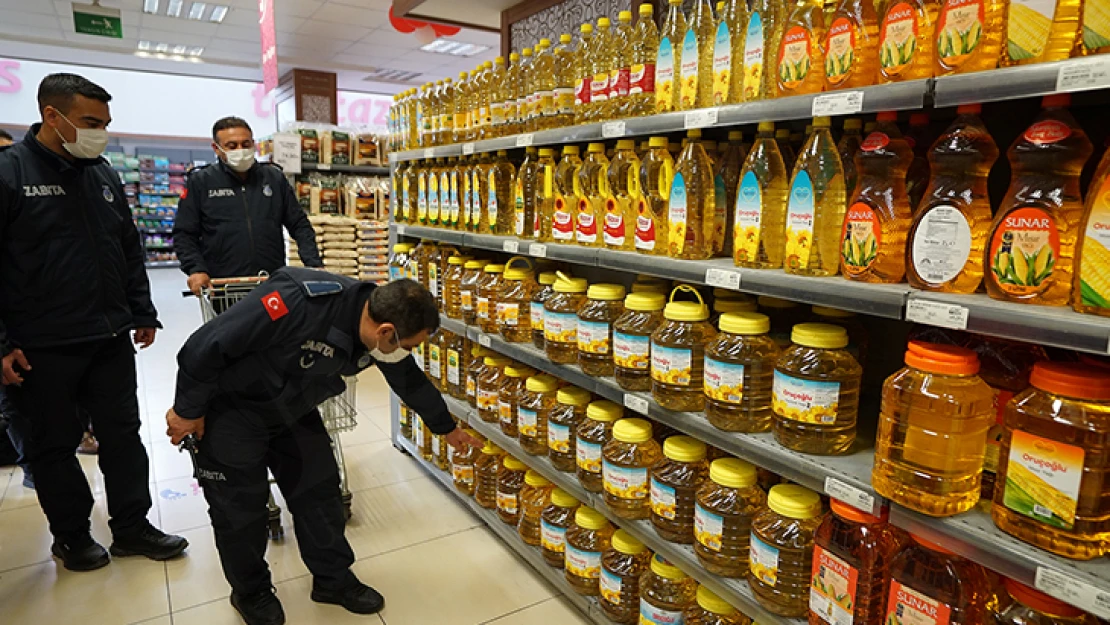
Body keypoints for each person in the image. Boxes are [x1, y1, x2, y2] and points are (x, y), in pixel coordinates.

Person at [166, 269, 481, 625]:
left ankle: (332, 580)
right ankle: (250, 592)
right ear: (386, 332)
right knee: (239, 514)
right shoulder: (299, 301)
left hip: (292, 409)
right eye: (406, 345)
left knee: (321, 494)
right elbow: (203, 346)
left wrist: (446, 428)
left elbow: (407, 378)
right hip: (233, 411)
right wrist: (187, 412)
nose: (404, 352)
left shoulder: (378, 323)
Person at [0, 73, 188, 571]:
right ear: (51, 116)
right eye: (89, 122)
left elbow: (128, 249)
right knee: (54, 444)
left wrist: (142, 310)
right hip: (42, 344)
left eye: (105, 123)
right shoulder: (9, 173)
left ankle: (132, 526)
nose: (99, 132)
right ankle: (72, 535)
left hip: (108, 337)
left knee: (124, 436)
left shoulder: (103, 174)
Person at [174, 116, 323, 296]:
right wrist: (195, 269)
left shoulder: (273, 178)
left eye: (246, 144)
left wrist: (313, 263)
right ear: (217, 149)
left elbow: (299, 224)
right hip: (223, 285)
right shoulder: (201, 182)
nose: (241, 150)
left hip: (271, 280)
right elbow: (184, 234)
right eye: (232, 146)